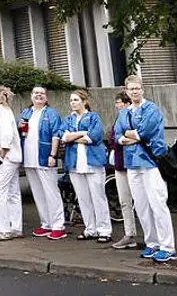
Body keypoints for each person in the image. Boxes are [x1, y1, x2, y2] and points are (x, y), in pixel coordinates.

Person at [116, 76, 176, 262]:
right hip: (132, 163)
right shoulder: (124, 113)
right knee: (141, 206)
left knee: (158, 204)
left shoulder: (151, 109)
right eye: (131, 89)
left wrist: (129, 135)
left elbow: (145, 133)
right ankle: (152, 242)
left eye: (137, 88)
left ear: (142, 89)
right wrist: (127, 137)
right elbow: (117, 133)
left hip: (151, 162)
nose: (134, 91)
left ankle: (168, 247)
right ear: (126, 91)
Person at [61, 90, 111, 242]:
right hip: (74, 163)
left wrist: (73, 137)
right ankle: (90, 228)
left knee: (98, 197)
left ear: (84, 101)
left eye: (76, 100)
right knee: (83, 198)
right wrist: (82, 133)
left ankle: (104, 230)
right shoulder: (68, 119)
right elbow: (63, 136)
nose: (73, 103)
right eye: (71, 100)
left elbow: (94, 137)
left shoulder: (93, 117)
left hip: (93, 162)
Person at [21, 86, 65, 239]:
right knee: (38, 192)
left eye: (42, 93)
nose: (38, 95)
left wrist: (52, 155)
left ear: (46, 97)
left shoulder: (52, 114)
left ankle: (58, 225)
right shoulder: (26, 112)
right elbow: (21, 131)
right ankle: (46, 223)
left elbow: (56, 135)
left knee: (51, 191)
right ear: (31, 96)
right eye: (35, 93)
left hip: (45, 157)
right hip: (29, 158)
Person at [0, 84, 23, 241]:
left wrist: (3, 150)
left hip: (6, 157)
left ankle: (4, 229)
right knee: (13, 192)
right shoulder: (5, 110)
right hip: (12, 157)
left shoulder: (2, 111)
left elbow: (7, 133)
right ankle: (16, 227)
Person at [108, 92, 140, 249]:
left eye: (119, 102)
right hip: (120, 162)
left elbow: (140, 137)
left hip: (133, 162)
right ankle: (129, 233)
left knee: (140, 199)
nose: (117, 105)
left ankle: (151, 236)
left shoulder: (134, 117)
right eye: (116, 102)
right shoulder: (119, 119)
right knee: (124, 200)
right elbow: (113, 139)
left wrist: (122, 139)